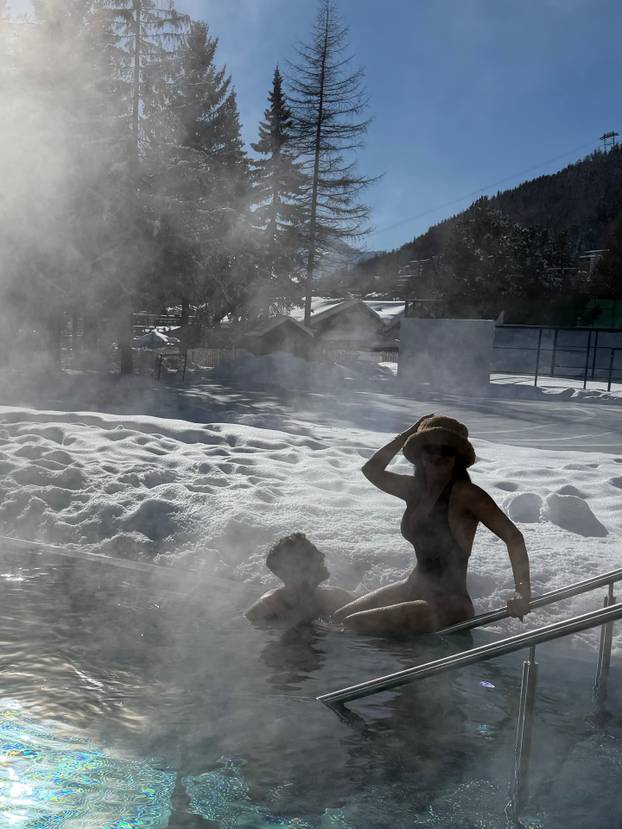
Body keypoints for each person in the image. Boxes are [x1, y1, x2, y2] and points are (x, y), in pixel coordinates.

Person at [333, 414, 531, 636]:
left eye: (447, 451)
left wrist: (522, 591)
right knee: (337, 620)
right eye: (430, 448)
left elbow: (513, 537)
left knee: (354, 625)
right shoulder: (413, 489)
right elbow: (371, 470)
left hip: (450, 604)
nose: (438, 456)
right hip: (414, 587)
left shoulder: (465, 495)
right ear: (419, 453)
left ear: (457, 458)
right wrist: (409, 434)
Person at [246, 532, 354, 626]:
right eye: (312, 554)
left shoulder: (334, 596)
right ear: (295, 568)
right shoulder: (271, 604)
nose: (322, 555)